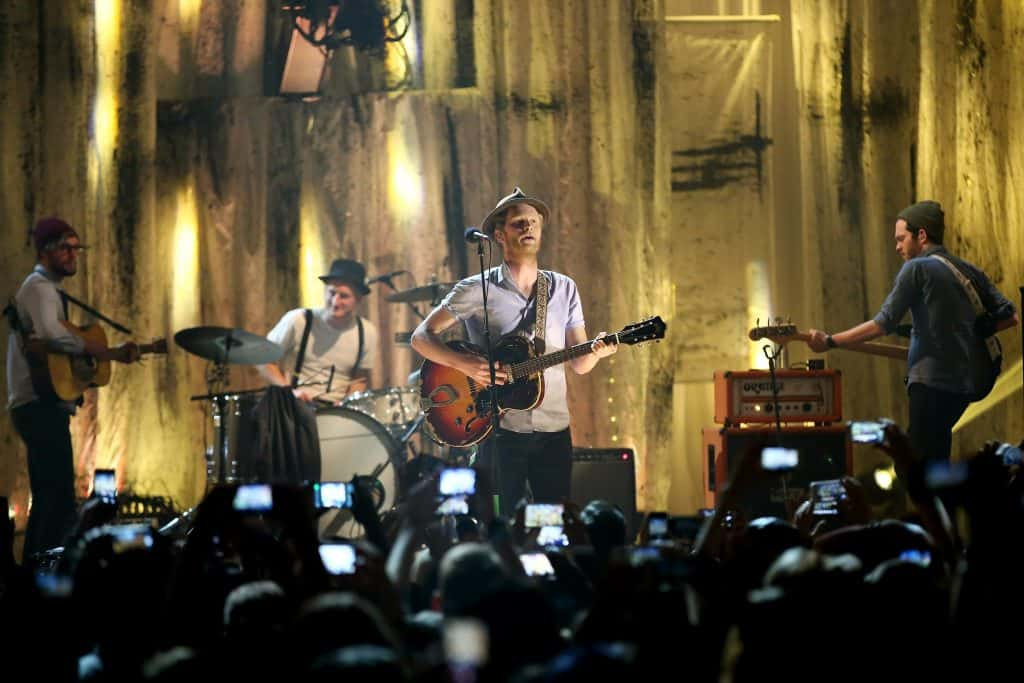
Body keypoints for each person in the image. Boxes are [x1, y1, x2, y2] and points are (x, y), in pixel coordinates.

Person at [411, 188, 616, 515]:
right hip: (500, 429)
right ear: (498, 234)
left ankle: (545, 566)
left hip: (554, 430)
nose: (528, 229)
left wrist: (597, 352)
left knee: (550, 520)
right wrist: (464, 364)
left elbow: (579, 363)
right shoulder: (477, 289)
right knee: (504, 521)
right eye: (519, 223)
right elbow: (422, 337)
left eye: (533, 223)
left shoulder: (563, 288)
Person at [804, 200, 1018, 461]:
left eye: (901, 239)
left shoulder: (917, 268)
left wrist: (829, 341)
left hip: (931, 385)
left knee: (916, 467)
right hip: (968, 386)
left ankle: (933, 500)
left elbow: (882, 323)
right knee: (934, 456)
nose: (897, 247)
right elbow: (1011, 317)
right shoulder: (968, 270)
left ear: (922, 235)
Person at [5, 217, 139, 561]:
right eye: (65, 247)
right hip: (37, 405)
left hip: (40, 404)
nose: (72, 254)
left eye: (76, 247)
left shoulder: (48, 290)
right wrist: (97, 349)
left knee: (50, 496)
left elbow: (54, 342)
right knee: (58, 496)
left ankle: (34, 570)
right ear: (44, 251)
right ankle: (44, 573)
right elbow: (52, 334)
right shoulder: (39, 288)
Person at [258, 258, 379, 404]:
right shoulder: (299, 320)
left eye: (344, 296)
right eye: (331, 293)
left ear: (359, 299)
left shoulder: (367, 332)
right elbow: (262, 359)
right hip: (295, 405)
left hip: (338, 411)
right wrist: (288, 391)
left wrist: (347, 403)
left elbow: (359, 379)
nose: (335, 302)